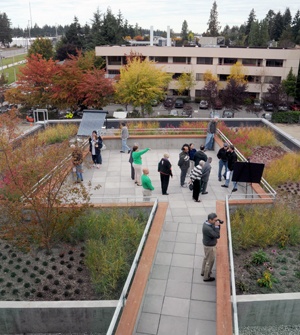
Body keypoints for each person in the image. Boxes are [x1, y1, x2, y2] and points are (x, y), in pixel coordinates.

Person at [201, 213, 221, 282]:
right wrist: (217, 227)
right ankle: (206, 277)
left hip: (206, 244)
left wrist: (216, 225)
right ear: (210, 220)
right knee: (210, 262)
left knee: (206, 258)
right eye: (215, 220)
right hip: (210, 247)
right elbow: (217, 235)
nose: (216, 221)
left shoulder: (206, 224)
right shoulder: (208, 229)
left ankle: (203, 272)